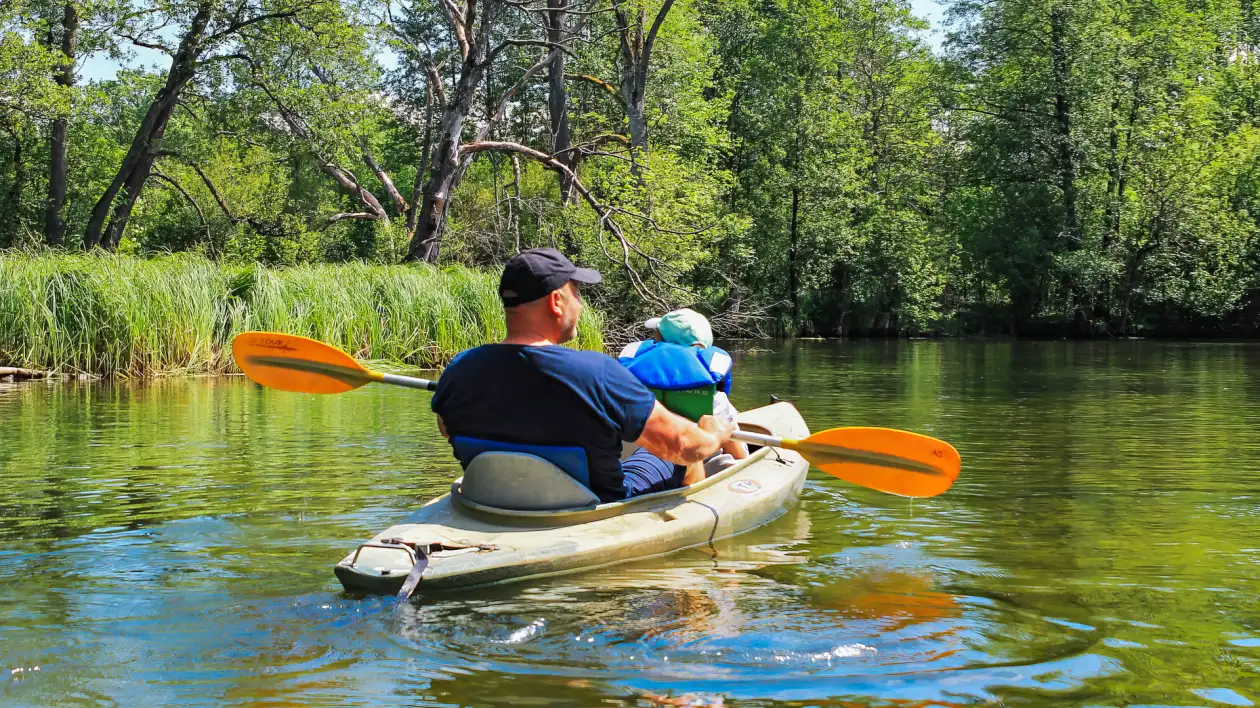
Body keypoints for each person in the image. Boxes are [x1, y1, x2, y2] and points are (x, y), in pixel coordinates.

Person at [430, 248, 735, 502]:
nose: (580, 303)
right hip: (597, 504)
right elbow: (682, 445)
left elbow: (447, 428)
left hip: (494, 499)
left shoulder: (458, 368)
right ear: (556, 302)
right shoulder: (599, 373)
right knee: (674, 456)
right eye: (576, 293)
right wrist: (713, 434)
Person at [618, 308, 748, 460]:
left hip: (633, 460)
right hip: (694, 466)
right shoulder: (716, 399)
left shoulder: (629, 387)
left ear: (660, 342)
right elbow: (736, 451)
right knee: (727, 444)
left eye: (656, 334)